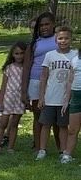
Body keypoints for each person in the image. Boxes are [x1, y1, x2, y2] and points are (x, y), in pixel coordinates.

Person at [37, 26, 77, 162]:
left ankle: (63, 150)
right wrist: (41, 96)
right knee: (45, 124)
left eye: (66, 38)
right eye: (60, 38)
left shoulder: (75, 55)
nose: (63, 41)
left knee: (63, 126)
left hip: (66, 99)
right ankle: (42, 150)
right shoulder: (50, 55)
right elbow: (43, 77)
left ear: (71, 39)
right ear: (56, 40)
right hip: (50, 97)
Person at [23, 12, 58, 152]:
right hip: (36, 82)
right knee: (39, 116)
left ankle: (61, 148)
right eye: (41, 25)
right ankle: (38, 148)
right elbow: (26, 67)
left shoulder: (59, 39)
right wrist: (23, 91)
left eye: (47, 24)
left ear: (53, 24)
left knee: (56, 117)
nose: (44, 27)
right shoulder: (34, 44)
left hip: (56, 83)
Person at [0, 42, 26, 157]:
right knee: (3, 124)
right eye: (17, 53)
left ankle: (11, 147)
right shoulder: (9, 68)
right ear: (12, 54)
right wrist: (1, 102)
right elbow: (3, 85)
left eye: (22, 53)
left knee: (14, 124)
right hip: (8, 98)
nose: (19, 56)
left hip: (19, 99)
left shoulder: (26, 69)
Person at [62, 37, 81, 162]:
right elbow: (69, 81)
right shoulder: (75, 59)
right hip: (76, 96)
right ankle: (67, 156)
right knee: (72, 129)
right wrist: (66, 100)